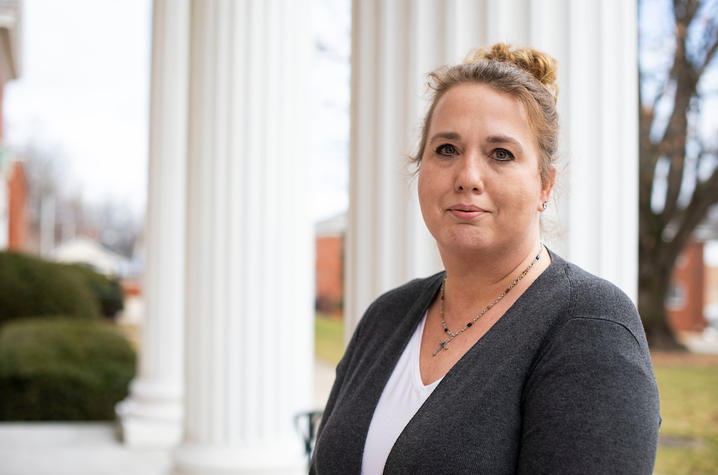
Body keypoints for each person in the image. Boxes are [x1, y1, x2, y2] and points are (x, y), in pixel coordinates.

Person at [310, 43, 660, 474]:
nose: (468, 177)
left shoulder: (590, 326)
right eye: (446, 149)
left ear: (545, 185)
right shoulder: (387, 316)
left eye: (501, 154)